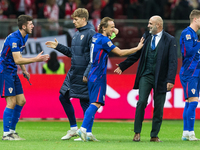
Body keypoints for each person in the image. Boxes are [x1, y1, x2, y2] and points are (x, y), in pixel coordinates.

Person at [76, 17, 144, 142]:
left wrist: (113, 29)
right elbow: (120, 52)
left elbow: (111, 36)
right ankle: (83, 129)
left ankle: (89, 133)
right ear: (103, 28)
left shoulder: (96, 37)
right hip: (98, 76)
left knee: (92, 103)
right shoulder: (104, 40)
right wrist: (137, 48)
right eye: (111, 27)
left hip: (92, 74)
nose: (114, 29)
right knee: (96, 103)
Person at [114, 15, 177, 142]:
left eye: (150, 23)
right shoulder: (146, 37)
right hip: (146, 75)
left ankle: (154, 135)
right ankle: (137, 132)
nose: (148, 25)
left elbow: (173, 61)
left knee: (158, 106)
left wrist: (170, 80)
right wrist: (122, 65)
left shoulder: (170, 40)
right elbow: (137, 54)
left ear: (158, 25)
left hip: (162, 77)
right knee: (141, 101)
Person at [45, 8, 96, 141]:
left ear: (84, 19)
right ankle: (74, 129)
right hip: (73, 72)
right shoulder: (76, 34)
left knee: (85, 102)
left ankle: (87, 133)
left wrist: (87, 72)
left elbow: (93, 56)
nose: (73, 21)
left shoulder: (91, 33)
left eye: (76, 19)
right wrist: (58, 46)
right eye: (73, 19)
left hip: (83, 73)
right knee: (63, 97)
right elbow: (71, 53)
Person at [0, 15, 49, 140]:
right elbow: (17, 59)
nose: (33, 26)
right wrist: (36, 59)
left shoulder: (24, 36)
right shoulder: (14, 39)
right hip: (4, 72)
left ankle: (12, 131)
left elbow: (19, 55)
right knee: (11, 102)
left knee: (21, 101)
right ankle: (6, 134)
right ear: (23, 26)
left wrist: (24, 70)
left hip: (12, 72)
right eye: (30, 24)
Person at [179, 9, 200, 141]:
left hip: (195, 72)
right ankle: (191, 133)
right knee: (193, 102)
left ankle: (186, 133)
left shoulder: (195, 35)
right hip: (189, 72)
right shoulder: (187, 33)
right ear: (195, 19)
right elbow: (189, 52)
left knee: (189, 102)